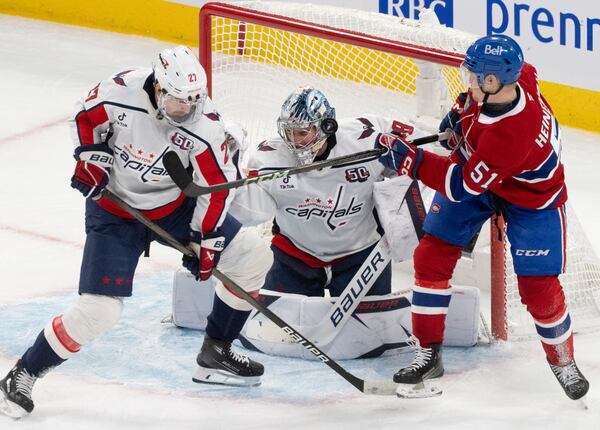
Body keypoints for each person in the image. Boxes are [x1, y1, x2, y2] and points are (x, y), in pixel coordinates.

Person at [0, 46, 271, 419]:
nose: (186, 110)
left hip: (176, 210)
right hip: (115, 212)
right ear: (159, 89)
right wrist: (91, 156)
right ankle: (23, 373)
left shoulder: (205, 125)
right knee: (100, 310)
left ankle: (216, 351)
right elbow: (83, 116)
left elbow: (216, 188)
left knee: (253, 255)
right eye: (178, 102)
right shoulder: (119, 92)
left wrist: (206, 241)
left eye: (193, 101)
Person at [375, 35, 589, 400]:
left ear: (493, 83)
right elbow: (472, 149)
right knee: (431, 255)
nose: (468, 82)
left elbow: (459, 185)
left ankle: (563, 361)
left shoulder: (509, 137)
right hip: (485, 175)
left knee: (538, 290)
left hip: (532, 196)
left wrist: (410, 160)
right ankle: (429, 353)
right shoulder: (522, 75)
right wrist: (460, 112)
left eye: (473, 79)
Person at [230, 86, 427, 300]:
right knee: (274, 331)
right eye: (288, 132)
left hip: (361, 257)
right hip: (294, 257)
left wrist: (400, 203)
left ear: (326, 126)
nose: (294, 141)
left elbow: (421, 153)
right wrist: (229, 175)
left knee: (370, 330)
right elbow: (252, 212)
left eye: (302, 132)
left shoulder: (364, 137)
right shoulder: (269, 158)